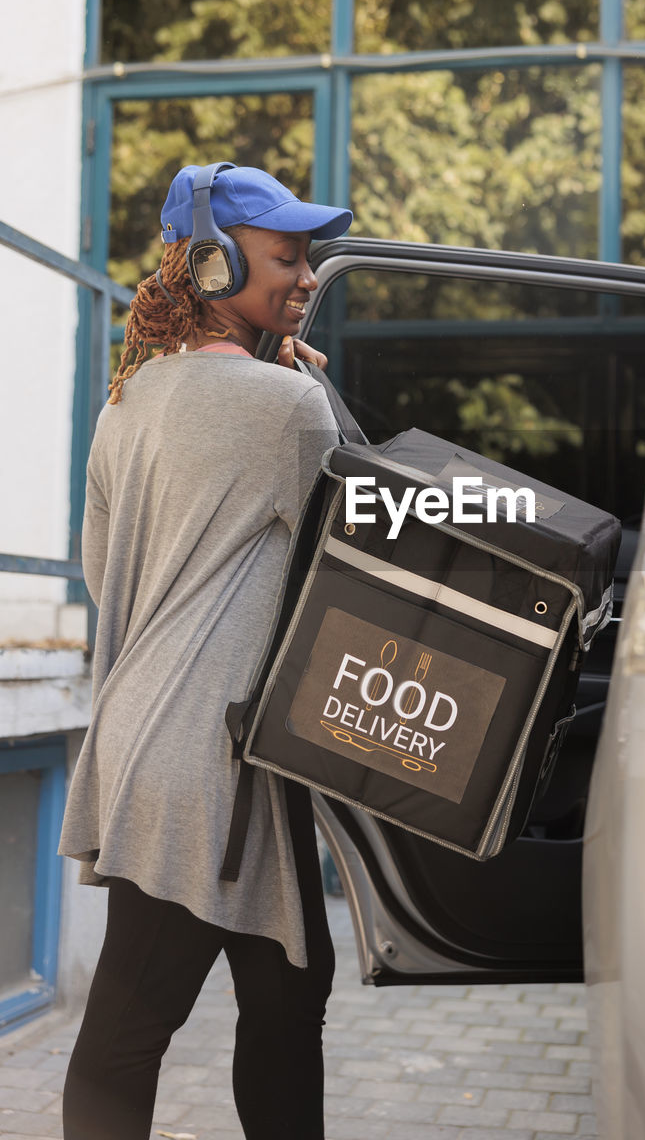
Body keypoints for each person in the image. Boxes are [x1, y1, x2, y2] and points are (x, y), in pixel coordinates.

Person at [59, 162, 353, 1140]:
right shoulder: (287, 405)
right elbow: (341, 570)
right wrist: (319, 403)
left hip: (169, 742)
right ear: (216, 262)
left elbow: (109, 575)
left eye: (307, 256)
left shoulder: (124, 403)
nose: (306, 274)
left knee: (287, 999)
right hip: (206, 759)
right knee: (131, 1026)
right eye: (287, 255)